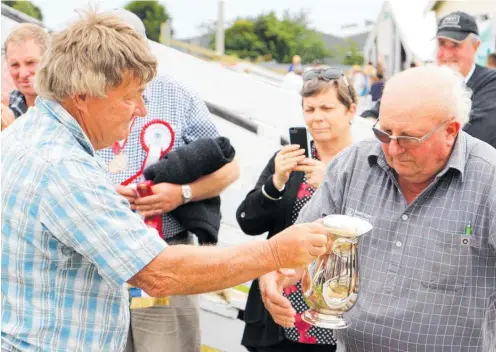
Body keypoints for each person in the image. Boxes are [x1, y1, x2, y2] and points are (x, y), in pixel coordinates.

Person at [0, 10, 330, 352]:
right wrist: (275, 252)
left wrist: (111, 199)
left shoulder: (29, 135)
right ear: (82, 95)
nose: (141, 110)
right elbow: (158, 273)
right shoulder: (64, 168)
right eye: (130, 96)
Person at [260, 64, 496, 352]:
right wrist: (276, 273)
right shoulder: (354, 165)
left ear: (450, 131)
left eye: (407, 138)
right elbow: (299, 243)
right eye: (384, 132)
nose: (392, 149)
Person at [94, 9, 239, 352]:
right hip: (98, 259)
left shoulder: (177, 95)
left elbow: (229, 167)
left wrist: (182, 193)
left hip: (165, 256)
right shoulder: (82, 97)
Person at [237, 67, 357, 352]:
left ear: (351, 110)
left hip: (337, 311)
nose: (317, 117)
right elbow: (248, 222)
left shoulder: (365, 163)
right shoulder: (289, 160)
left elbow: (375, 228)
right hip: (280, 310)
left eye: (327, 107)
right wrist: (276, 182)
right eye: (310, 108)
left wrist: (330, 184)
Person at [362, 11, 496, 160]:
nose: (447, 54)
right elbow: (376, 113)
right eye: (442, 44)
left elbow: (476, 137)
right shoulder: (425, 82)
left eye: (455, 45)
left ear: (476, 46)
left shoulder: (495, 82)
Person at [1, 23, 49, 130]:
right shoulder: (7, 104)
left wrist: (10, 131)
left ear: (48, 61)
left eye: (30, 62)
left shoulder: (64, 111)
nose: (22, 74)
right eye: (14, 65)